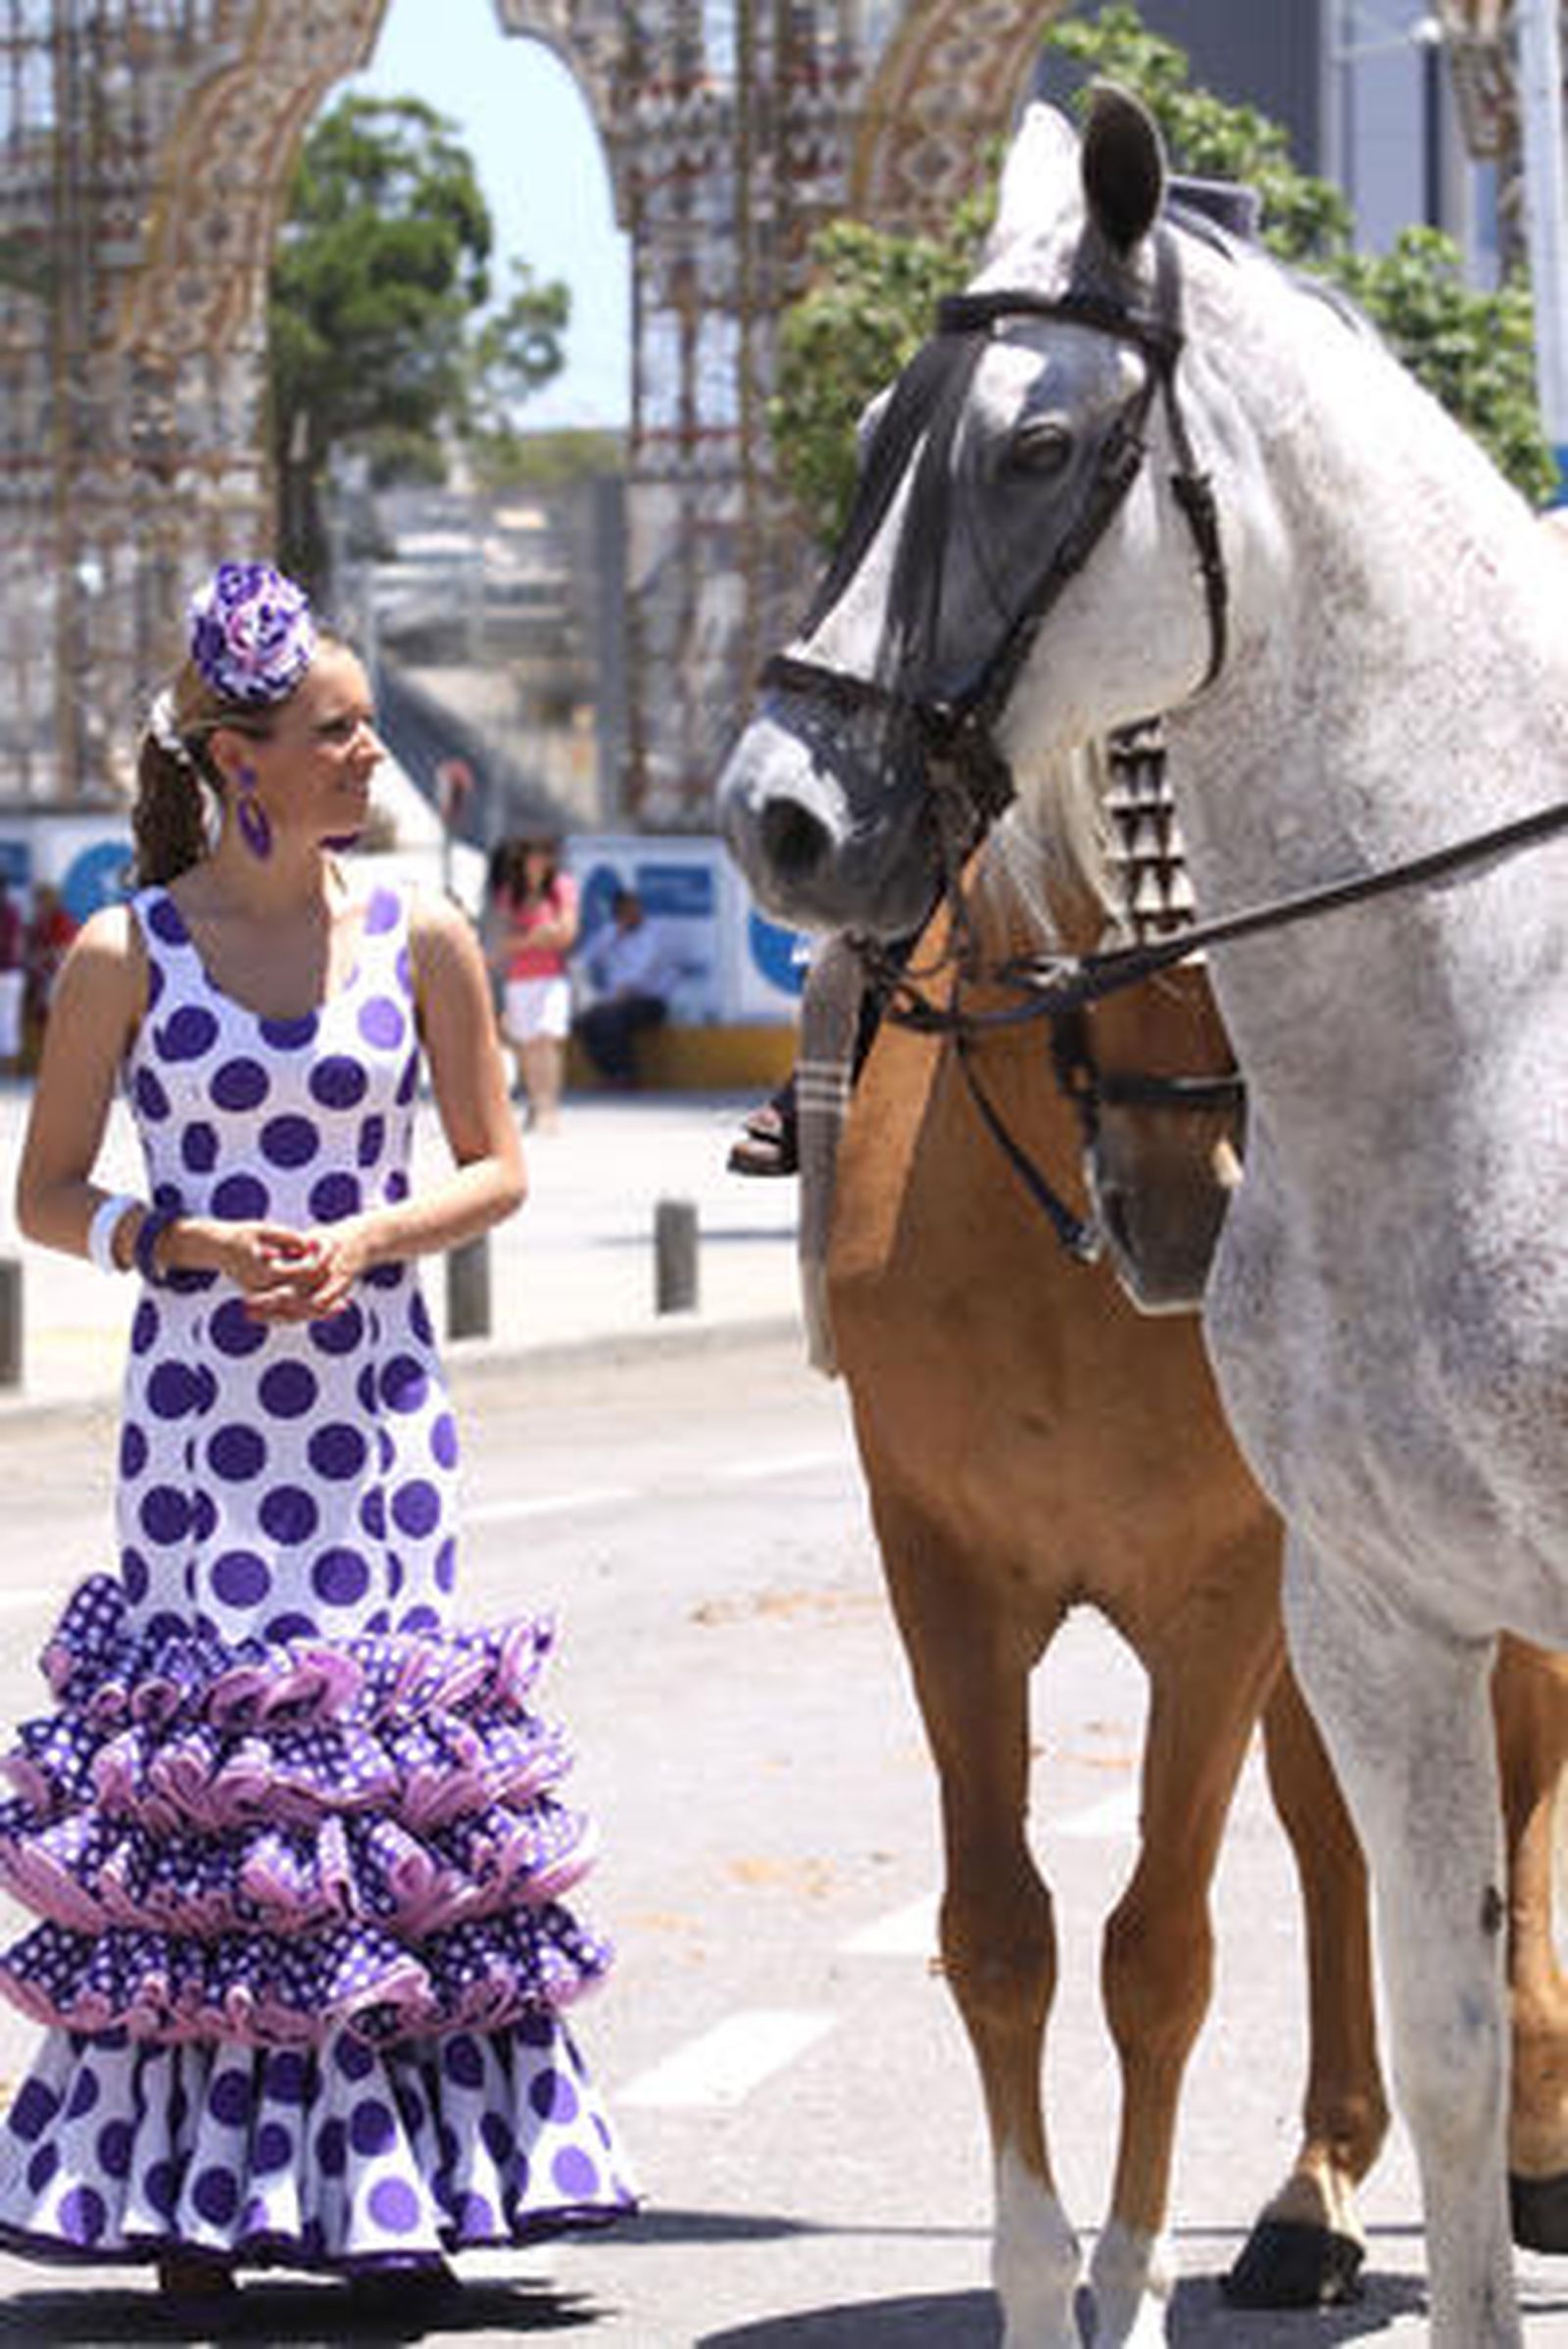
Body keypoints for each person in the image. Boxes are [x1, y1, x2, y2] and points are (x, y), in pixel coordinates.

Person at [6, 562, 635, 2321]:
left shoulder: (424, 936)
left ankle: (387, 2184)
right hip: (202, 1428)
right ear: (243, 758)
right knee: (225, 1781)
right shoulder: (126, 956)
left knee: (370, 1775)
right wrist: (186, 1244)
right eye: (339, 731)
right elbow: (47, 1195)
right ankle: (200, 2194)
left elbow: (500, 1162)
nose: (374, 756)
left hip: (380, 1419)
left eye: (365, 727)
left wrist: (367, 1241)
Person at [493, 836, 578, 1133]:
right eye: (534, 857)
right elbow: (504, 943)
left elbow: (567, 932)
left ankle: (549, 1106)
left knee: (548, 1040)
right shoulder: (509, 894)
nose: (539, 863)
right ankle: (535, 1101)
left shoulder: (561, 888)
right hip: (520, 978)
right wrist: (538, 938)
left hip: (551, 975)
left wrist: (531, 939)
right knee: (527, 1044)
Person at [575, 887, 681, 1090]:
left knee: (611, 1019)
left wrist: (614, 999)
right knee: (585, 1020)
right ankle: (609, 1073)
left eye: (633, 909)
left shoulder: (653, 934)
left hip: (649, 1000)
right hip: (615, 1000)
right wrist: (613, 937)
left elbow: (639, 976)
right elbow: (584, 959)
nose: (630, 915)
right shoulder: (611, 932)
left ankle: (626, 1074)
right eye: (623, 911)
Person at [21, 882, 77, 1063]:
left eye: (40, 901)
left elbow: (62, 950)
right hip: (47, 977)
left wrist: (41, 957)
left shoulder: (60, 919)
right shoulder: (40, 921)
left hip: (61, 977)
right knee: (44, 1018)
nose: (38, 905)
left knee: (58, 1019)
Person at [0, 877, 23, 1073]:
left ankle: (9, 1074)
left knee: (8, 1027)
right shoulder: (12, 911)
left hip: (7, 972)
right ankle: (9, 1074)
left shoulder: (9, 912)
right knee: (8, 1026)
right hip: (11, 972)